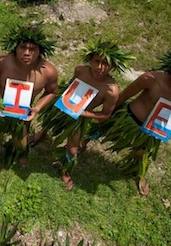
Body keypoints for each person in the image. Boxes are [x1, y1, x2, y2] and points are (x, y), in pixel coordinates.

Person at [101, 48, 171, 195]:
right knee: (101, 130)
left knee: (142, 153)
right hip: (128, 118)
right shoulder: (151, 79)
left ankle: (139, 173)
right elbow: (123, 96)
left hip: (151, 131)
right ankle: (81, 143)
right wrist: (107, 115)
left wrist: (169, 123)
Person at [39, 39, 134, 190]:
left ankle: (66, 170)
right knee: (49, 121)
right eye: (97, 61)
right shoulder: (80, 71)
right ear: (90, 59)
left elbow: (105, 115)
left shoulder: (111, 90)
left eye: (106, 64)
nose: (100, 67)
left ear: (113, 66)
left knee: (72, 149)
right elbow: (71, 85)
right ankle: (41, 134)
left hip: (81, 117)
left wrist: (83, 113)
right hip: (65, 105)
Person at [0, 26, 58, 167]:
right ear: (15, 48)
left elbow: (51, 92)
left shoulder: (48, 72)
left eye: (32, 49)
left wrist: (37, 108)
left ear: (40, 51)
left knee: (21, 141)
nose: (27, 53)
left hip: (23, 110)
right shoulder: (2, 63)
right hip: (0, 103)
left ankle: (22, 152)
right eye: (23, 47)